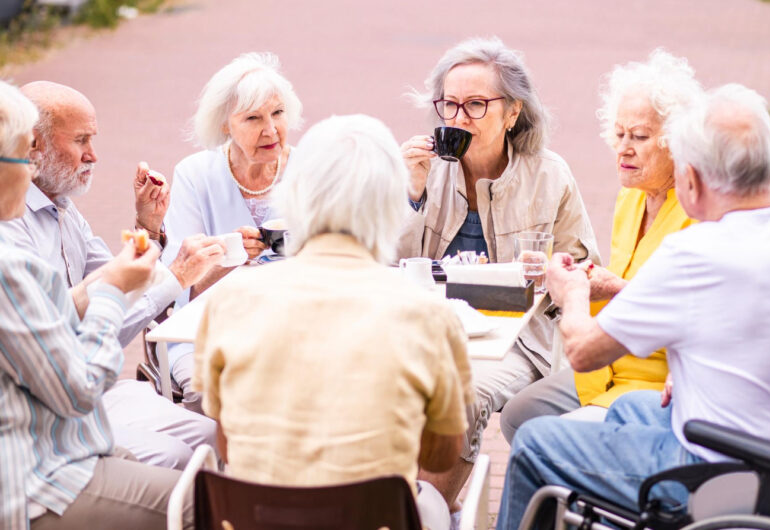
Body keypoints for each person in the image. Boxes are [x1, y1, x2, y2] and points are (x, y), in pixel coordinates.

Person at [496, 84, 770, 529]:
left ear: (691, 179)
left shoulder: (695, 251)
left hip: (728, 476)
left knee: (536, 441)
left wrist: (571, 293)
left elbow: (583, 351)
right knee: (627, 409)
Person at [193, 114, 473, 530]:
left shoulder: (229, 301)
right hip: (375, 518)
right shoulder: (428, 314)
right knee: (436, 504)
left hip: (258, 518)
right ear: (387, 203)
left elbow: (227, 442)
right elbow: (439, 457)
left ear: (297, 198)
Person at [398, 36, 600, 516]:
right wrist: (412, 191)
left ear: (512, 113)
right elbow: (390, 265)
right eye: (448, 104)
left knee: (460, 393)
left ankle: (426, 514)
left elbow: (584, 268)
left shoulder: (549, 176)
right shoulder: (424, 169)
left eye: (475, 105)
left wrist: (553, 274)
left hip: (517, 338)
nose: (458, 118)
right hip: (425, 328)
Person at [0, 79, 194, 530]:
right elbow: (79, 390)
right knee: (199, 500)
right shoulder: (10, 257)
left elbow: (92, 292)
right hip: (34, 470)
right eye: (24, 156)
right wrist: (110, 291)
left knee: (193, 451)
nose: (30, 171)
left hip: (61, 438)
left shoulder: (62, 210)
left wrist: (143, 237)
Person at [500, 50, 702, 442]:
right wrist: (589, 278)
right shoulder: (632, 197)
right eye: (619, 134)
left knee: (540, 439)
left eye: (640, 137)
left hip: (653, 381)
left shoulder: (696, 211)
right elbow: (627, 285)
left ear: (677, 142)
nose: (623, 148)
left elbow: (687, 317)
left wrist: (595, 290)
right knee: (518, 414)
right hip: (606, 367)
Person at [161, 51, 303, 412]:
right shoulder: (196, 174)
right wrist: (232, 257)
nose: (271, 130)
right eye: (253, 118)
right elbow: (181, 285)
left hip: (295, 328)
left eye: (278, 113)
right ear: (225, 124)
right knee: (218, 396)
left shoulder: (308, 170)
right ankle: (217, 469)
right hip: (206, 331)